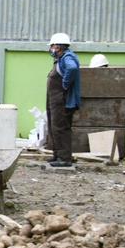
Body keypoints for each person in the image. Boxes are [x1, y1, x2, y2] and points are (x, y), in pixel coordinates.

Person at [46, 32, 81, 168]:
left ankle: (64, 158)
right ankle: (58, 155)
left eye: (52, 46)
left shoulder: (67, 58)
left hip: (62, 101)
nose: (51, 49)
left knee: (61, 128)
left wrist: (65, 84)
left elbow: (72, 69)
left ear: (59, 47)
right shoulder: (61, 59)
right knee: (55, 127)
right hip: (56, 100)